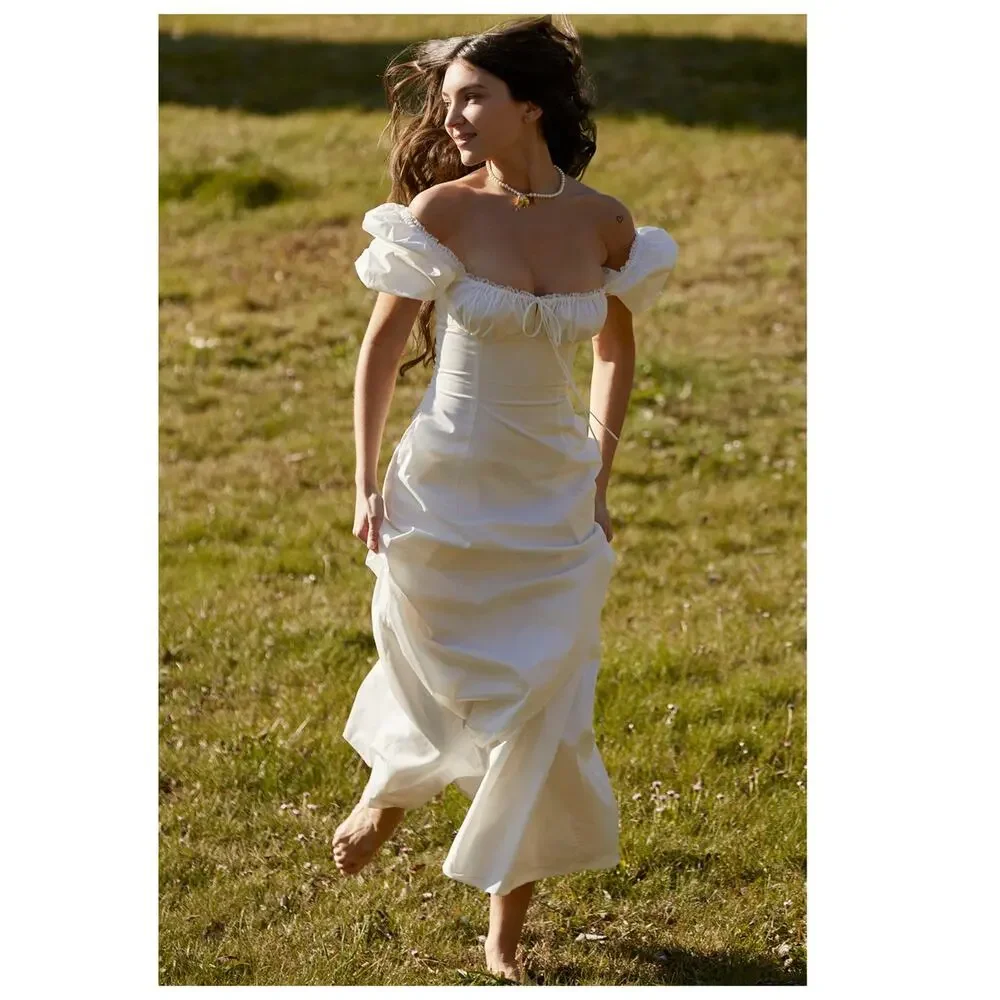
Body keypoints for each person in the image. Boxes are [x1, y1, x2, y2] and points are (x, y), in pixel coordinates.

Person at [332, 15, 678, 984]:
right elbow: (380, 349)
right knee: (426, 654)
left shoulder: (605, 223)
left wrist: (599, 474)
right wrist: (365, 480)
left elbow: (614, 349)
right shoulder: (443, 212)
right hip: (446, 480)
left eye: (472, 98)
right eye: (446, 103)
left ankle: (504, 937)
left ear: (530, 105)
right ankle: (395, 784)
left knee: (548, 708)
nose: (452, 119)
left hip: (551, 497)